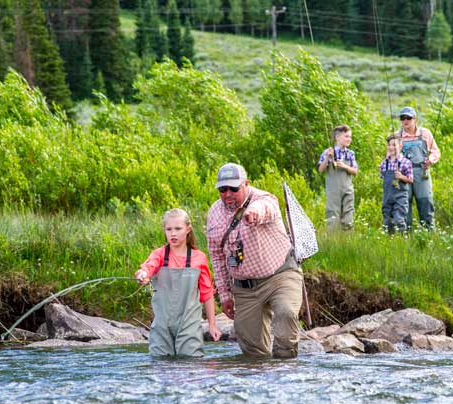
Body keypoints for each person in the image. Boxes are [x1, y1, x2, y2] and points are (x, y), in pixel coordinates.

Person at [206, 163, 304, 358]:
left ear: (246, 184)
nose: (227, 194)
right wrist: (225, 295)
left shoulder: (263, 199)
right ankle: (259, 379)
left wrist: (254, 214)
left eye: (233, 188)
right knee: (252, 350)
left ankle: (286, 369)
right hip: (244, 287)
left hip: (281, 276)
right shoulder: (214, 214)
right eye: (222, 189)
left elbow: (266, 209)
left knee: (286, 313)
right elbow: (217, 256)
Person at [135, 208, 221, 357]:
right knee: (160, 364)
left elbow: (207, 294)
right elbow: (148, 267)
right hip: (162, 325)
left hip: (189, 324)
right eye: (169, 229)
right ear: (164, 230)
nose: (173, 233)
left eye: (178, 229)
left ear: (188, 229)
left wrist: (212, 325)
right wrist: (143, 274)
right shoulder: (159, 254)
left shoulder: (199, 257)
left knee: (190, 363)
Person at [396, 106, 440, 230]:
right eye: (402, 118)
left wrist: (430, 160)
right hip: (403, 175)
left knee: (425, 202)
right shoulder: (396, 136)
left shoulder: (425, 133)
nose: (405, 121)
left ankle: (428, 234)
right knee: (404, 204)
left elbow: (436, 152)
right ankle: (405, 235)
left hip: (422, 172)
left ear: (415, 119)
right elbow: (390, 155)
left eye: (408, 118)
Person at [317, 124, 358, 231]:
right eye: (346, 136)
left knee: (348, 215)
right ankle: (333, 242)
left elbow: (355, 171)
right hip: (333, 191)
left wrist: (344, 166)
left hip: (348, 190)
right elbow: (320, 170)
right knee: (333, 216)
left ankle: (348, 241)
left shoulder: (350, 154)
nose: (349, 139)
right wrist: (327, 158)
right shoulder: (328, 152)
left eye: (350, 137)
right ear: (337, 137)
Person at [380, 135, 413, 233]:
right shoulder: (384, 163)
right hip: (387, 197)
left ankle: (403, 240)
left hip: (400, 196)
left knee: (399, 219)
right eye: (389, 145)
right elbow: (383, 177)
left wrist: (401, 177)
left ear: (401, 147)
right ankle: (390, 242)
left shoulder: (406, 162)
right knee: (387, 221)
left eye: (394, 145)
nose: (391, 147)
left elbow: (411, 180)